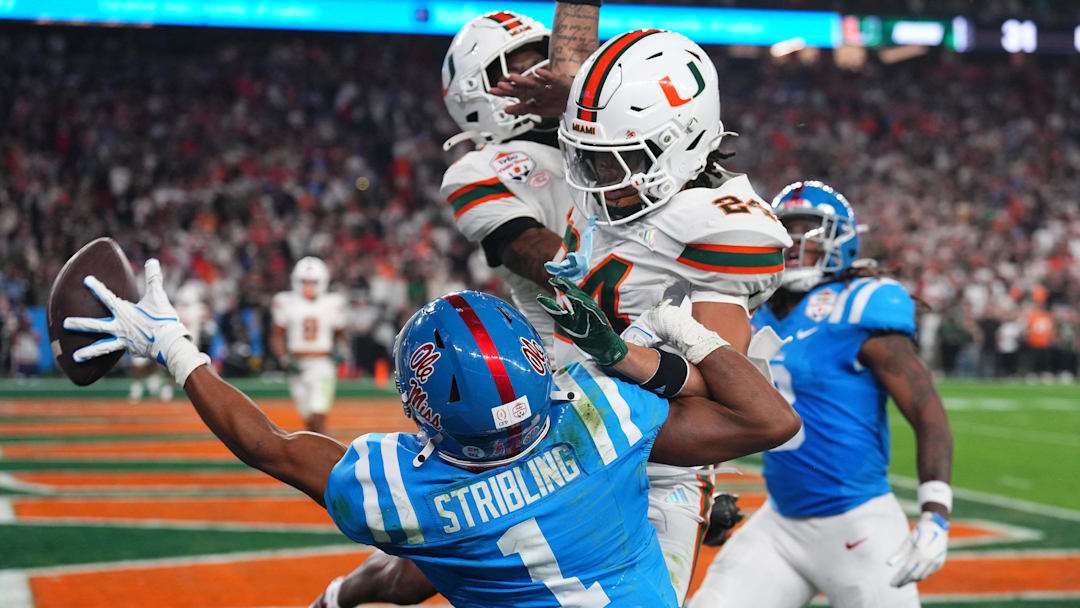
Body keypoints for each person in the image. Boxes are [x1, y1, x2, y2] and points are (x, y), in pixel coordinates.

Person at [63, 259, 800, 608]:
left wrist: (174, 346)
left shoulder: (407, 497)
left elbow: (267, 445)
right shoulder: (604, 416)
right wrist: (658, 335)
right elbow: (769, 419)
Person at [687, 181, 955, 608]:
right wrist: (707, 488)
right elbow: (717, 406)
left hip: (859, 525)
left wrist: (935, 513)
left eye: (808, 230)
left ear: (840, 240)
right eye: (787, 229)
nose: (795, 242)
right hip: (781, 522)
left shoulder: (859, 304)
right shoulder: (753, 311)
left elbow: (928, 412)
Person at [439, 10, 571, 357]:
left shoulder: (592, 136)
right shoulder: (476, 171)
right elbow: (558, 270)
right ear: (474, 94)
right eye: (519, 70)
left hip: (663, 349)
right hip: (583, 367)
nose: (540, 76)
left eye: (543, 63)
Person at [270, 257, 347, 434]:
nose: (308, 286)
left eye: (313, 282)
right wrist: (284, 359)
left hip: (322, 364)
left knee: (317, 417)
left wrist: (342, 351)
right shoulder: (286, 301)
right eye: (304, 281)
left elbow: (341, 335)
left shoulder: (332, 302)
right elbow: (277, 335)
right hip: (296, 364)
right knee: (309, 422)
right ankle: (320, 451)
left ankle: (332, 452)